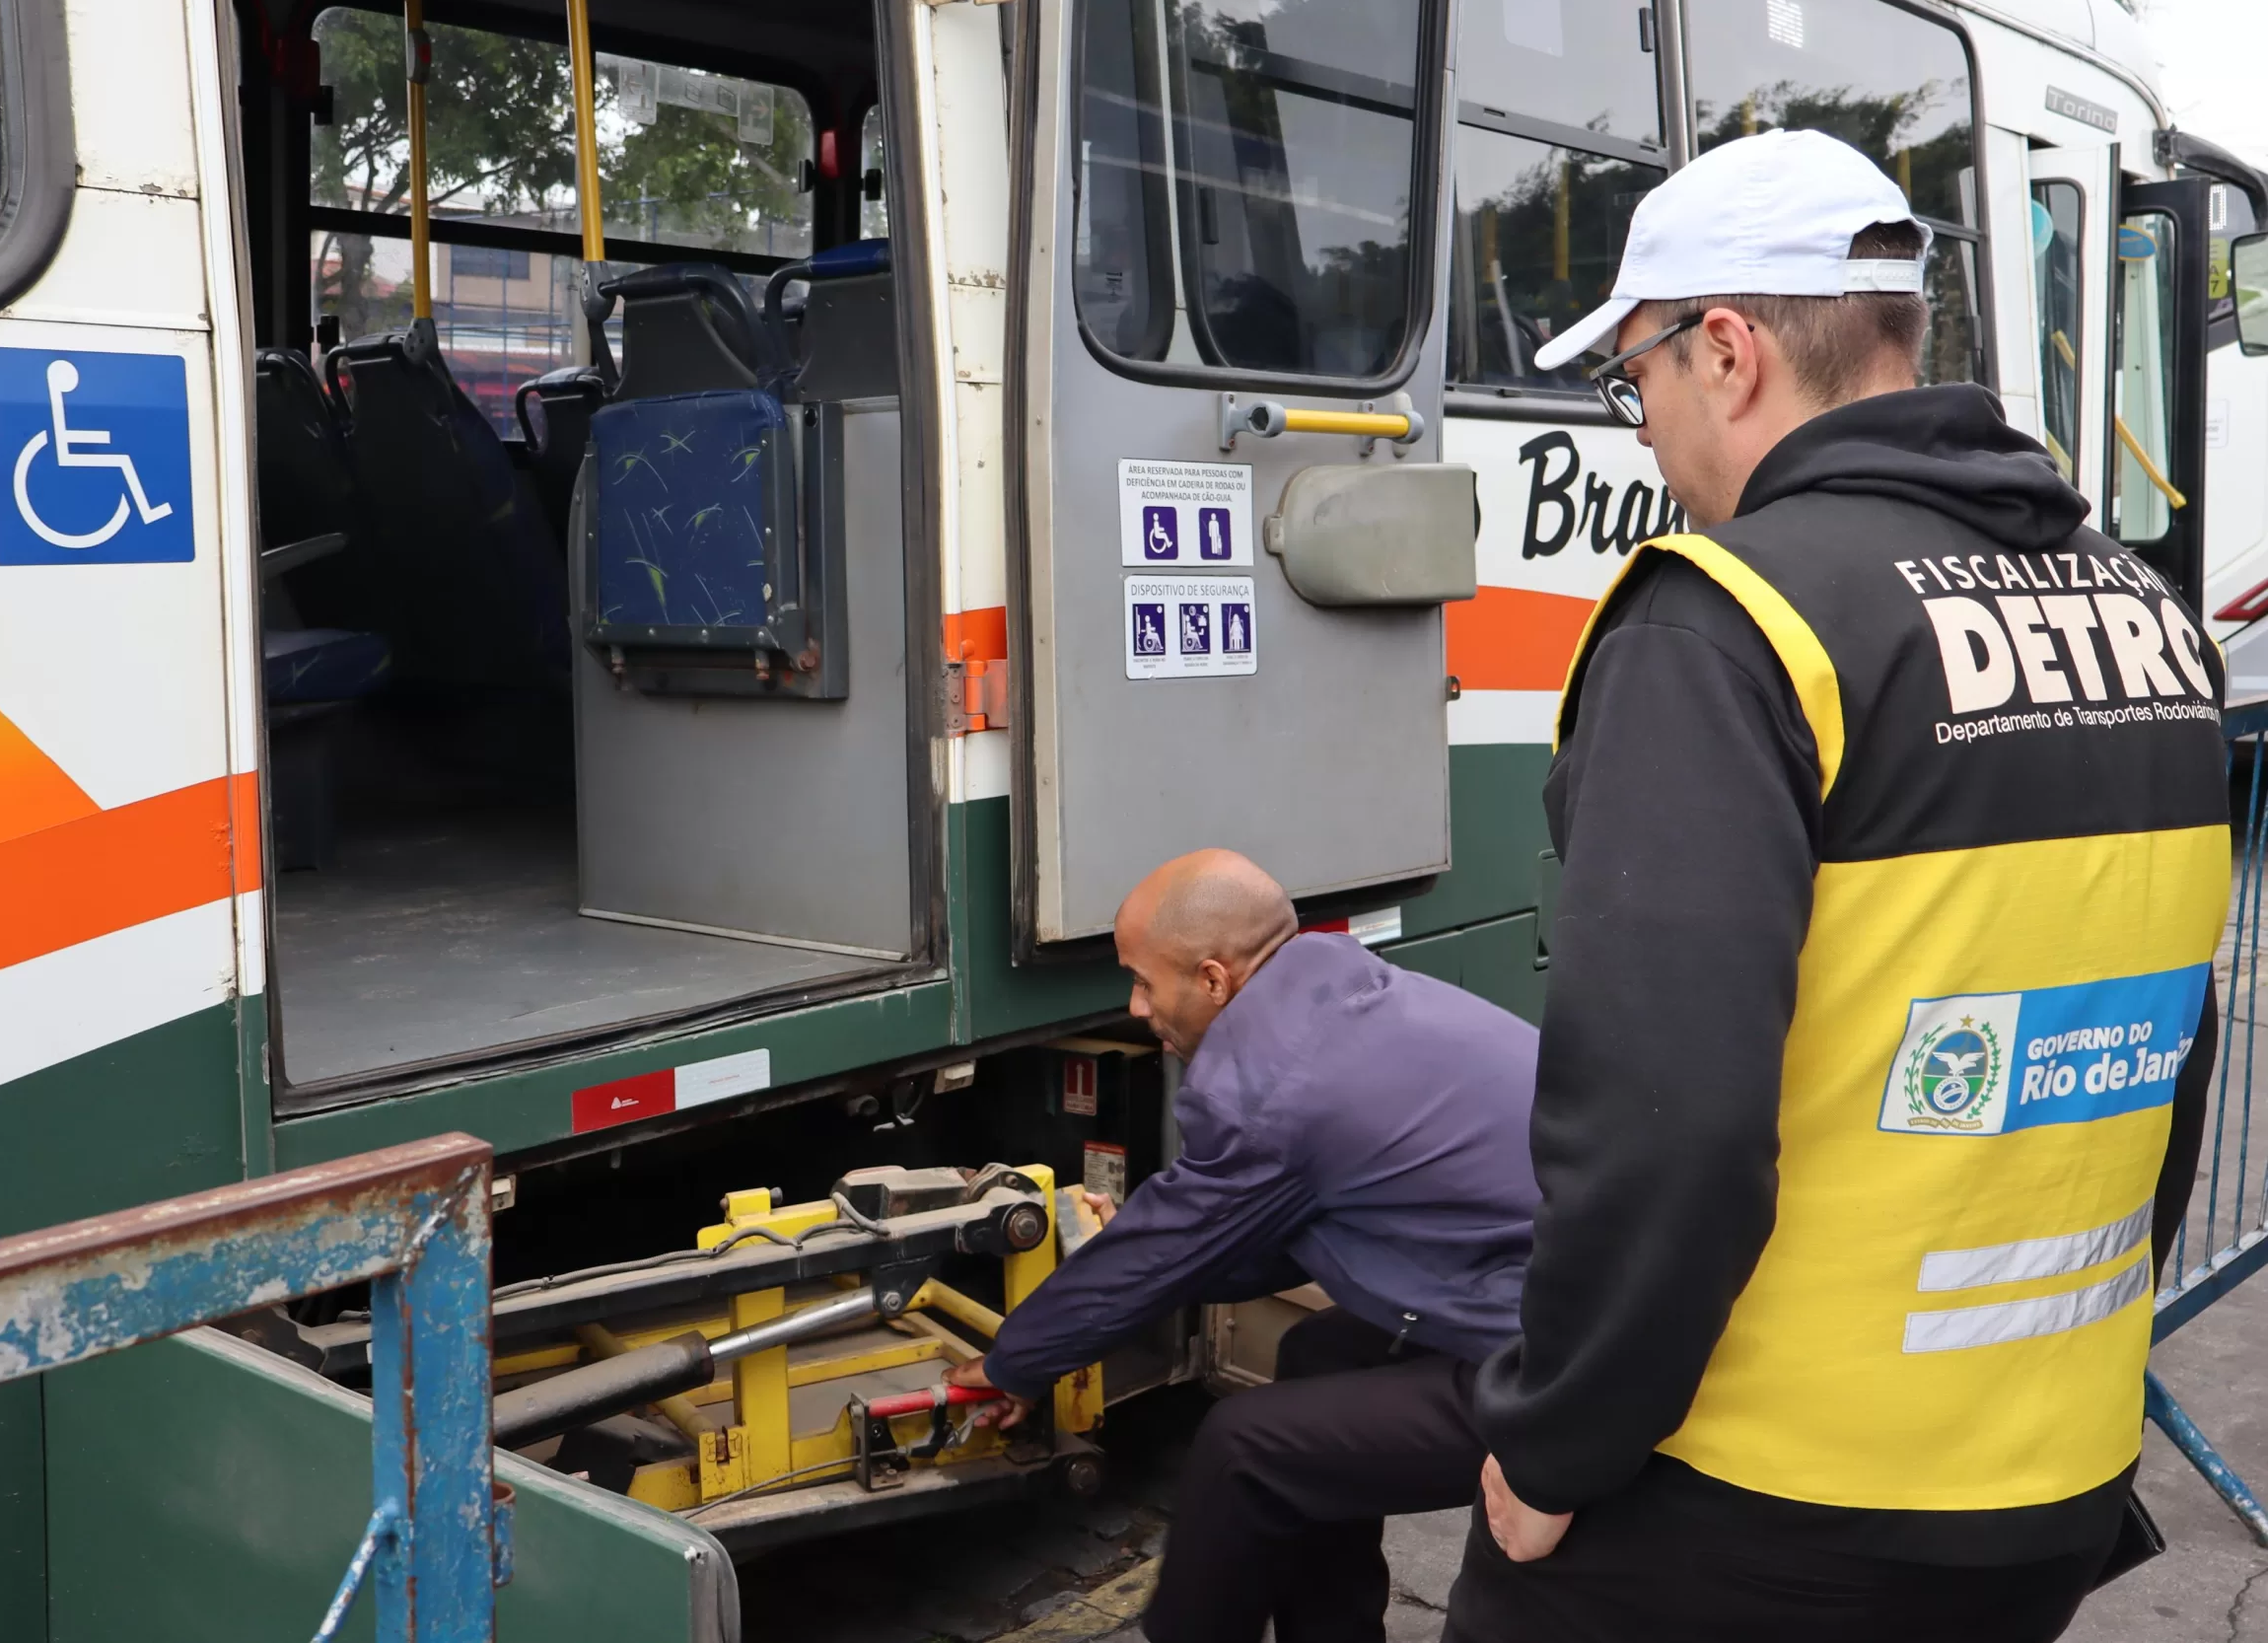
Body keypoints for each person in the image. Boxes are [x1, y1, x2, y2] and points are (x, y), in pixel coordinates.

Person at [1446, 128, 2230, 1643]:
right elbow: (2163, 1048)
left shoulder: (1728, 622)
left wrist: (1558, 1439)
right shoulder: (2146, 612)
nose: (1646, 430)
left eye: (1636, 382)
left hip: (1768, 1492)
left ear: (1726, 351)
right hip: (2049, 1470)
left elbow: (1668, 1118)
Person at [943, 847, 1538, 1643]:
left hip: (1567, 1363)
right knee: (1319, 1356)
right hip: (1555, 1290)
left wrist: (1012, 1363)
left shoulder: (1272, 1088)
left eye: (1146, 982)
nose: (1135, 1005)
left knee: (1243, 1450)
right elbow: (1276, 1233)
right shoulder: (1345, 988)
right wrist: (1166, 1259)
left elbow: (1161, 1248)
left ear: (1216, 980)